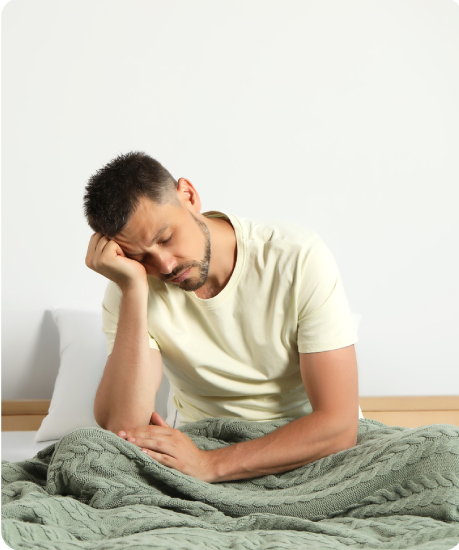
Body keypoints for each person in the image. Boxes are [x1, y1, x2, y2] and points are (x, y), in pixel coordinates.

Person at [83, 151, 361, 483]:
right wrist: (133, 289)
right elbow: (124, 424)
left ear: (188, 195)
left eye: (166, 238)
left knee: (438, 451)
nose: (166, 266)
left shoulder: (296, 257)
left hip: (306, 447)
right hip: (202, 441)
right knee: (81, 458)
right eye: (141, 256)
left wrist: (209, 465)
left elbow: (339, 426)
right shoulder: (133, 287)